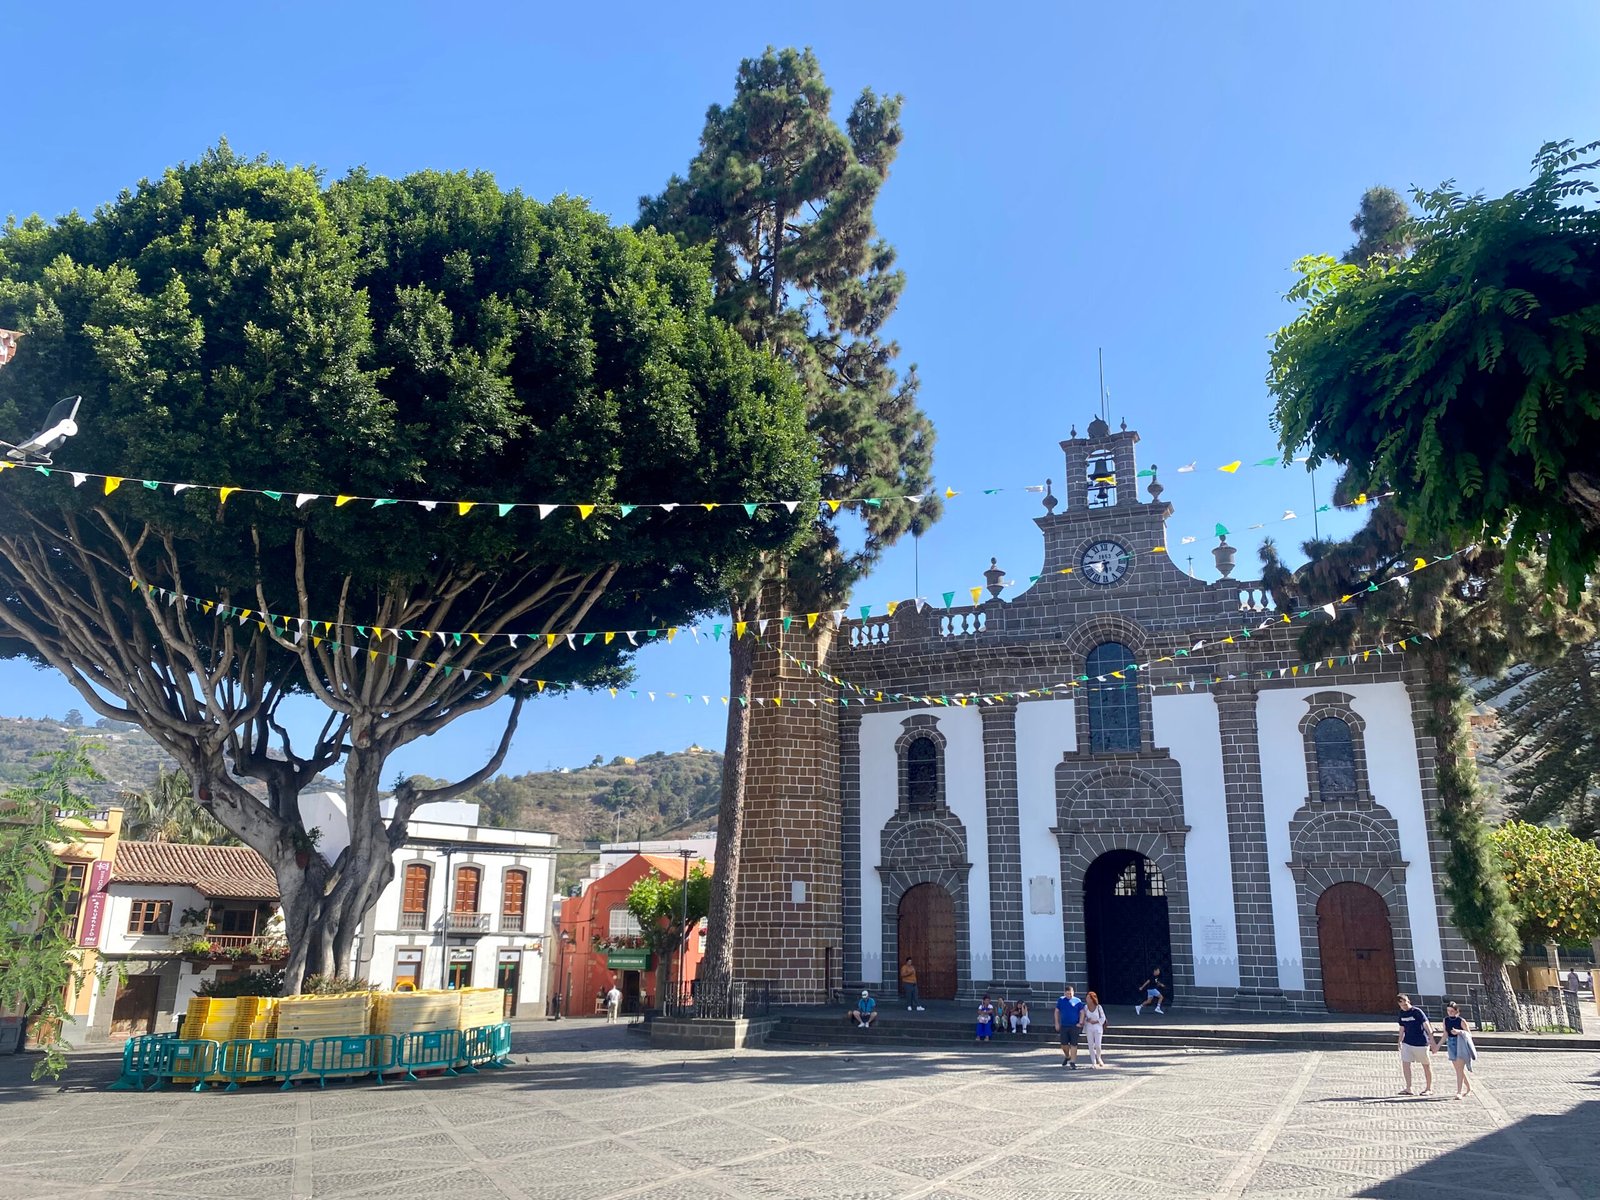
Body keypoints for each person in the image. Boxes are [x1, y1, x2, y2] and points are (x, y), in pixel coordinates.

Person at [1396, 994, 1436, 1096]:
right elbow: (1402, 1028)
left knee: (1426, 1065)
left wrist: (1432, 1040)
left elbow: (1426, 1025)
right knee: (1405, 1064)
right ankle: (1409, 1088)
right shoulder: (1401, 1014)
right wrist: (1399, 1041)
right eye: (1402, 1005)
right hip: (1407, 1042)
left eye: (1406, 1004)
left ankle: (1429, 1088)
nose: (1405, 1006)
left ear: (1408, 1001)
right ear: (1399, 1005)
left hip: (1421, 1043)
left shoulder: (1417, 1011)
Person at [1441, 1001, 1476, 1097]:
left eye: (1452, 1011)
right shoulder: (1446, 1020)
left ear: (1456, 1011)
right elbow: (1445, 1034)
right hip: (1451, 1044)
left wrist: (1459, 1031)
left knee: (1459, 1069)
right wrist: (1437, 1045)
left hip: (1460, 1044)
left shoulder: (1461, 1020)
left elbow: (1469, 1034)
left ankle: (1459, 1092)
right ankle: (1469, 1087)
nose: (1450, 1013)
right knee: (1458, 1070)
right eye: (1448, 1011)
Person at [1054, 985, 1086, 1069]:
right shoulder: (1061, 1000)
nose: (1069, 995)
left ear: (1073, 992)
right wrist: (1057, 1023)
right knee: (1064, 1044)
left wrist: (1081, 1022)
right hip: (1064, 1025)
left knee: (1074, 1044)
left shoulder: (1077, 1001)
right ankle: (1067, 1056)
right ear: (1065, 993)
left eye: (1071, 994)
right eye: (1067, 994)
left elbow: (1082, 1011)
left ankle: (1073, 1061)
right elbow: (1057, 1011)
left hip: (1074, 1025)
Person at [1083, 990, 1108, 1067]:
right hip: (1089, 1027)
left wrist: (1096, 1021)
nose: (1087, 1000)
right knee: (1090, 1045)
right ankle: (1093, 1062)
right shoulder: (1085, 1007)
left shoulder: (1098, 1007)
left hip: (1098, 1027)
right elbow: (1083, 1017)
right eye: (1086, 998)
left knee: (1098, 1045)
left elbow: (1103, 1018)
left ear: (1092, 999)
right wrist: (1087, 1020)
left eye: (1089, 998)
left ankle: (1099, 1057)